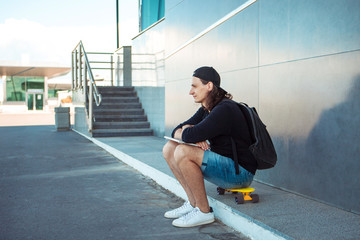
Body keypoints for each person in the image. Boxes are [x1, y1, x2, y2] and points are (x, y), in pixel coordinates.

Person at [162, 66, 257, 228]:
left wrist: (188, 130)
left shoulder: (224, 109)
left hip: (240, 173)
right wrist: (188, 131)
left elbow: (186, 133)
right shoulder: (207, 108)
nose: (190, 91)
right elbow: (175, 131)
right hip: (225, 167)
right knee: (170, 147)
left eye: (194, 86)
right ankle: (193, 204)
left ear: (209, 86)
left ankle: (204, 211)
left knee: (183, 151)